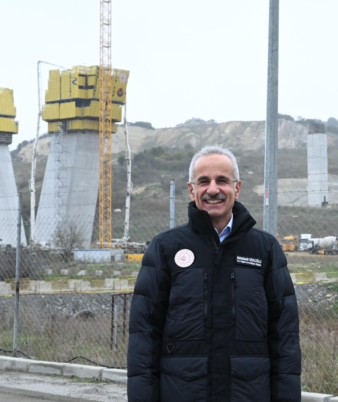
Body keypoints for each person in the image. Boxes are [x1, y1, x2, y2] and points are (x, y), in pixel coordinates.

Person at [127, 146, 301, 402]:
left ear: (237, 188)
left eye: (222, 180)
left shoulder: (265, 250)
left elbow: (284, 337)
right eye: (203, 181)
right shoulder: (165, 248)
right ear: (191, 189)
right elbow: (144, 337)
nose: (212, 189)